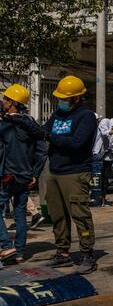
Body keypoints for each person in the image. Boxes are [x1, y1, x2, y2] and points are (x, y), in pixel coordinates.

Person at [42, 76, 97, 273]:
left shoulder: (86, 116)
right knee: (57, 215)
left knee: (80, 215)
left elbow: (76, 143)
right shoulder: (57, 114)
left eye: (64, 99)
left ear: (75, 98)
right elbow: (44, 131)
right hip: (55, 172)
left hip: (75, 172)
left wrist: (52, 137)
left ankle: (87, 254)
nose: (61, 102)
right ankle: (62, 253)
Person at [0, 85, 46, 266]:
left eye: (5, 99)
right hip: (26, 176)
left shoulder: (6, 125)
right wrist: (34, 174)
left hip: (7, 175)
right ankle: (19, 253)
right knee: (20, 213)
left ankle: (5, 246)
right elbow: (42, 151)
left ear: (12, 103)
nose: (3, 102)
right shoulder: (32, 124)